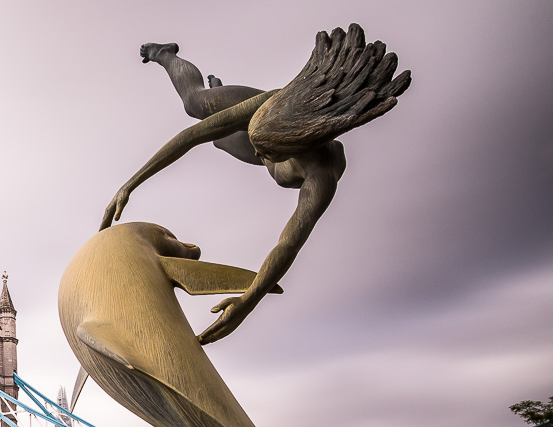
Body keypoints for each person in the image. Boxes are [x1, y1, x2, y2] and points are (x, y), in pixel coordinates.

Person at [102, 24, 409, 344]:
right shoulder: (269, 106)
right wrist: (129, 184)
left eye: (267, 151)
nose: (260, 153)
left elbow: (287, 245)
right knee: (196, 105)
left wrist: (248, 302)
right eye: (260, 149)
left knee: (220, 142)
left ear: (296, 148)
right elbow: (190, 136)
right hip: (262, 111)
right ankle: (165, 54)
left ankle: (222, 92)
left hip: (278, 134)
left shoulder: (321, 177)